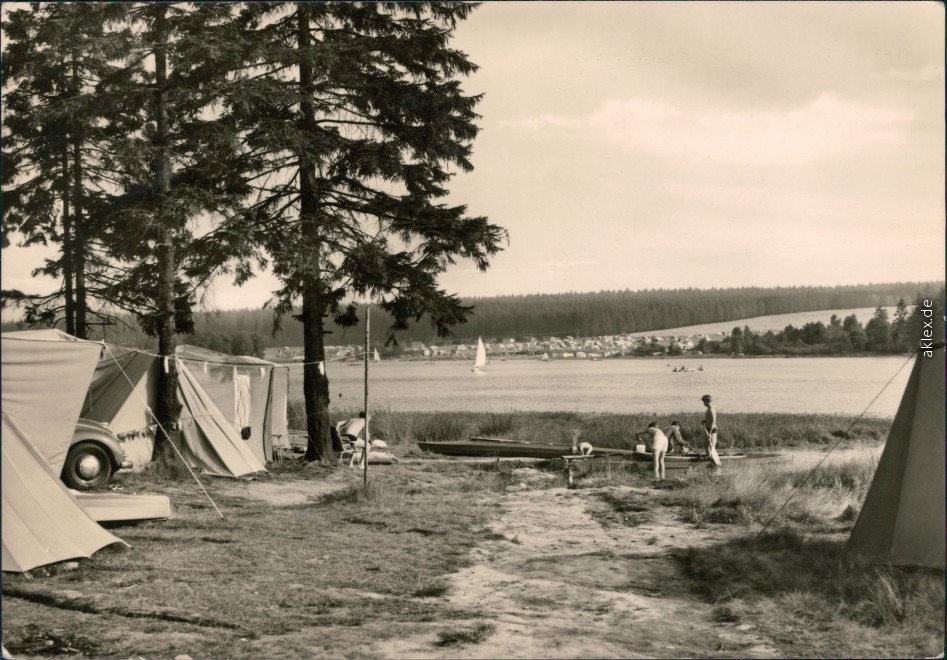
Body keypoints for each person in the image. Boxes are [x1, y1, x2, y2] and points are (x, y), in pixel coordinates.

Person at [701, 394, 721, 466]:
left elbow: (713, 422)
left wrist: (709, 433)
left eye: (704, 402)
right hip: (708, 428)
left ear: (707, 401)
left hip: (712, 430)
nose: (703, 403)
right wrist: (705, 421)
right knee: (707, 445)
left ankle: (713, 461)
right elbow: (708, 419)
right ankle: (708, 459)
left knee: (712, 446)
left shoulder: (712, 410)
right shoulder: (708, 409)